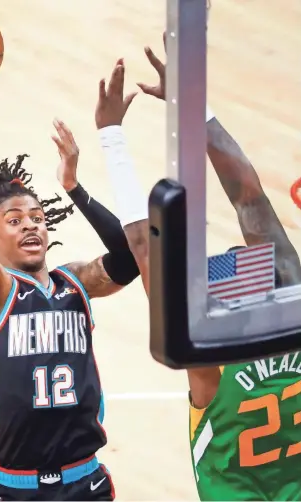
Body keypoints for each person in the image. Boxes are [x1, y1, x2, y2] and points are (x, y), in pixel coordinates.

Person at [98, 47, 301, 501]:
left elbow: (142, 248)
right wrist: (194, 105)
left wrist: (111, 136)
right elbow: (250, 197)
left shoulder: (210, 367)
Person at [0, 74, 139, 502]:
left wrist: (73, 186)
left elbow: (132, 256)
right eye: (15, 220)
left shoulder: (74, 283)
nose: (31, 226)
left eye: (37, 217)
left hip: (86, 480)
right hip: (16, 487)